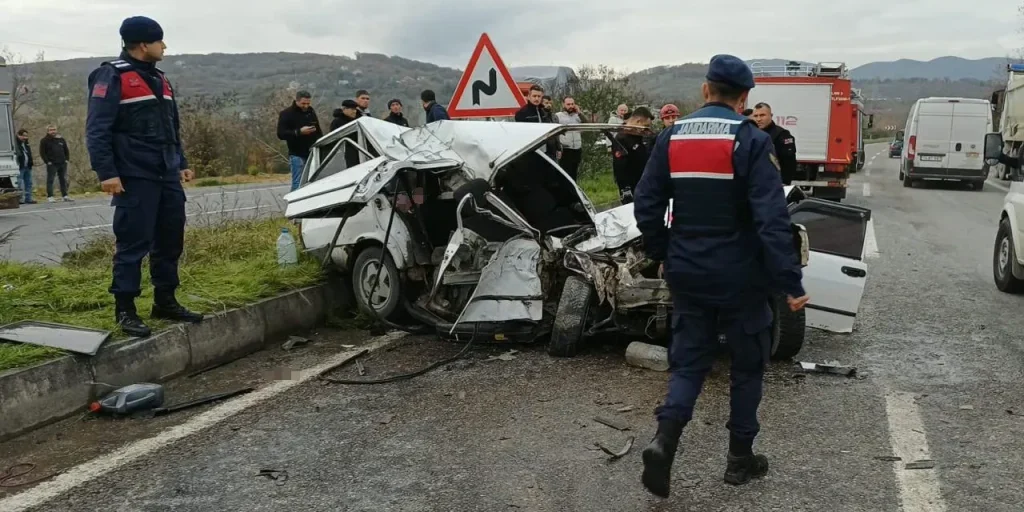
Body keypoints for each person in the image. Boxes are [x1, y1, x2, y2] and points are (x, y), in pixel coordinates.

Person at [632, 54, 809, 498]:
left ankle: (664, 441)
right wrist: (790, 281)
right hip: (742, 276)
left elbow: (646, 204)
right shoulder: (750, 140)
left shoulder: (671, 137)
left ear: (705, 90)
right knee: (748, 366)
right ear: (744, 98)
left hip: (688, 270)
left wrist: (663, 251)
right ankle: (738, 461)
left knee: (689, 361)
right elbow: (771, 219)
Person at [86, 15, 204, 337]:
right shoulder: (111, 76)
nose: (164, 46)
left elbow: (172, 127)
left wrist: (181, 161)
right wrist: (106, 172)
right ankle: (125, 309)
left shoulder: (161, 79)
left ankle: (165, 301)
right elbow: (97, 129)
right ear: (142, 44)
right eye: (159, 41)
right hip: (134, 175)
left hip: (166, 173)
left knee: (170, 239)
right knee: (132, 244)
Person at [277, 90, 323, 191]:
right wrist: (298, 132)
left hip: (312, 152)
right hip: (297, 154)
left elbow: (319, 131)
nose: (306, 106)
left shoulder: (311, 112)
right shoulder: (286, 114)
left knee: (312, 182)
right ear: (297, 101)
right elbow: (281, 134)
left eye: (308, 103)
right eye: (303, 103)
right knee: (297, 183)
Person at [611, 107, 654, 204]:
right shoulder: (621, 138)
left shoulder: (640, 136)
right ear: (638, 121)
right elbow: (619, 166)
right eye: (645, 126)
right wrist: (625, 189)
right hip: (632, 185)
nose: (645, 130)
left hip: (645, 182)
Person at [752, 102, 797, 184]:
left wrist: (784, 183)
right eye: (755, 116)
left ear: (771, 116)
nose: (758, 119)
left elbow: (789, 164)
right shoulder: (750, 134)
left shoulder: (781, 134)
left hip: (774, 183)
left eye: (762, 115)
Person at [515, 85, 560, 158]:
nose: (537, 98)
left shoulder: (543, 111)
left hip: (546, 151)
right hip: (531, 152)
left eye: (539, 96)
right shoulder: (522, 113)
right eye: (534, 96)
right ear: (529, 97)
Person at [554, 96, 585, 180]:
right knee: (565, 173)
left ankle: (573, 190)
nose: (570, 106)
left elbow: (587, 123)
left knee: (574, 172)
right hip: (565, 148)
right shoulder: (558, 116)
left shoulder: (577, 115)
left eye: (572, 104)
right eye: (568, 104)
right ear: (563, 104)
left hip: (577, 147)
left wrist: (579, 113)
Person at [40, 125, 72, 203]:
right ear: (48, 131)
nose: (53, 131)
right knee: (50, 180)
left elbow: (66, 150)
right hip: (52, 163)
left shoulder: (61, 139)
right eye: (51, 130)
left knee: (63, 179)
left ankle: (65, 195)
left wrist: (67, 159)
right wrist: (47, 161)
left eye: (54, 129)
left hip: (62, 162)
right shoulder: (44, 140)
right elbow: (42, 152)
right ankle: (50, 196)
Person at [15, 129, 36, 204]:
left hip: (28, 166)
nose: (25, 137)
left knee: (29, 183)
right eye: (23, 136)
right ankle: (20, 199)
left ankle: (28, 198)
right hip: (20, 166)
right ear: (18, 135)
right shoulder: (15, 143)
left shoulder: (26, 144)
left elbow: (28, 154)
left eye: (26, 136)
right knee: (19, 183)